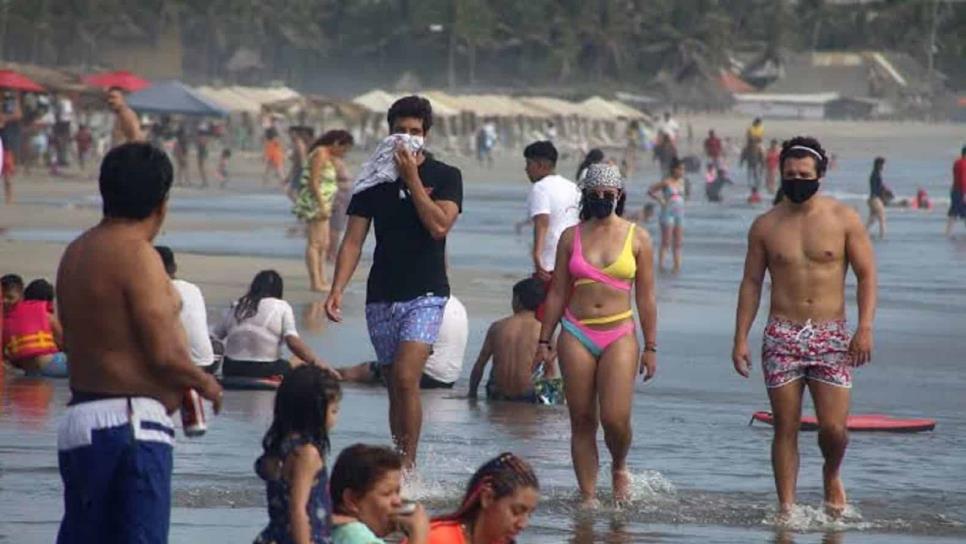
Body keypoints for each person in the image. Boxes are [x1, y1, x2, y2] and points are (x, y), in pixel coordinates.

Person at [54, 142, 222, 543]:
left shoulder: (76, 252)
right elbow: (163, 352)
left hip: (80, 420)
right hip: (128, 424)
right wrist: (205, 383)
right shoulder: (138, 255)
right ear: (162, 203)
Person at [732, 136, 876, 519]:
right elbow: (750, 283)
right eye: (790, 174)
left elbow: (866, 275)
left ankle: (831, 472)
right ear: (780, 174)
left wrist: (864, 327)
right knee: (785, 427)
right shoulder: (765, 226)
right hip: (782, 334)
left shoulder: (844, 219)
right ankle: (786, 508)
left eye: (804, 174)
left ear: (820, 175)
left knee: (833, 429)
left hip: (831, 334)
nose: (796, 180)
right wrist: (740, 338)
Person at [326, 95, 463, 469]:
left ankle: (409, 467)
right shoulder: (372, 181)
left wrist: (413, 179)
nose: (408, 138)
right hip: (382, 294)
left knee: (406, 378)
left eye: (415, 132)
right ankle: (399, 460)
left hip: (427, 292)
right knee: (393, 387)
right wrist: (336, 288)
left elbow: (438, 225)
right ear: (388, 134)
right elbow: (353, 240)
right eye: (400, 131)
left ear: (427, 134)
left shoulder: (446, 176)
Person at [533, 163, 657, 506]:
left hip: (619, 331)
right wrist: (544, 341)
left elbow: (646, 296)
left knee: (615, 418)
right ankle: (587, 495)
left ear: (619, 196)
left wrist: (651, 346)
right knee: (582, 417)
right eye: (595, 195)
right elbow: (557, 291)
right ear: (585, 196)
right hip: (576, 331)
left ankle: (618, 464)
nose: (602, 200)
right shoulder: (571, 237)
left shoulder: (638, 237)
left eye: (608, 195)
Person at [254, 365, 342, 544]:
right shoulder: (306, 454)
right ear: (314, 411)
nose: (336, 418)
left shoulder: (281, 446)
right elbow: (298, 510)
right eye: (333, 410)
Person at [213, 270, 334, 380]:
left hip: (231, 369)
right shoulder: (281, 306)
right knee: (298, 360)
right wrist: (317, 362)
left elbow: (214, 337)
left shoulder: (237, 306)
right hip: (266, 370)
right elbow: (293, 343)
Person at [338, 296, 468, 389]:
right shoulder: (456, 304)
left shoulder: (424, 306)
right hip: (449, 379)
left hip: (424, 377)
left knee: (356, 372)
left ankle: (326, 375)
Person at [419, 453, 539, 544]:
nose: (523, 524)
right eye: (516, 511)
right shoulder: (433, 538)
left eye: (529, 514)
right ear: (487, 498)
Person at [468, 279, 554, 403]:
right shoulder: (545, 332)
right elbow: (549, 371)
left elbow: (479, 365)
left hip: (497, 393)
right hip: (528, 396)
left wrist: (472, 395)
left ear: (517, 300)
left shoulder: (497, 327)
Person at [293, 129, 355, 292]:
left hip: (325, 203)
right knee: (315, 243)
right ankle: (316, 282)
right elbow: (314, 181)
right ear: (336, 143)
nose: (344, 153)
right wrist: (321, 204)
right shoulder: (320, 153)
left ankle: (322, 279)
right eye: (344, 149)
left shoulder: (328, 156)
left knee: (324, 243)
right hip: (316, 204)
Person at [330, 444, 430, 544]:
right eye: (387, 493)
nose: (398, 501)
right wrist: (418, 534)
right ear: (352, 500)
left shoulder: (330, 530)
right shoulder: (356, 535)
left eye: (397, 492)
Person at [524, 141, 581, 291]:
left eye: (529, 164)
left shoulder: (540, 188)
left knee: (546, 311)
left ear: (540, 165)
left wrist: (537, 256)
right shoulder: (573, 187)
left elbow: (542, 221)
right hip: (575, 261)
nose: (526, 169)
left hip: (550, 263)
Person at [155, 246, 215, 371]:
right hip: (205, 363)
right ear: (174, 267)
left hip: (171, 367)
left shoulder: (150, 291)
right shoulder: (193, 288)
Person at [2, 274, 66, 376]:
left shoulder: (42, 315)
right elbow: (65, 343)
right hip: (47, 368)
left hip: (43, 368)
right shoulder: (44, 314)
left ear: (22, 296)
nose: (4, 301)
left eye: (9, 297)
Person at [648, 157, 687, 273]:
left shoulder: (682, 182)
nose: (682, 172)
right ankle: (660, 265)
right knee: (666, 241)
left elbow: (684, 196)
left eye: (683, 169)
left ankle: (677, 266)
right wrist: (660, 200)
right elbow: (650, 190)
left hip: (679, 214)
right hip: (667, 213)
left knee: (678, 242)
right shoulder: (666, 182)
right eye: (680, 169)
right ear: (674, 170)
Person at [328, 131, 355, 262]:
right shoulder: (332, 161)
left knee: (338, 227)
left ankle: (332, 252)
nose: (346, 151)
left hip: (344, 197)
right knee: (335, 227)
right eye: (345, 148)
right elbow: (329, 180)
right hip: (338, 197)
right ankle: (332, 253)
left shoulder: (337, 160)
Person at [945, 145, 966, 237]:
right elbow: (963, 179)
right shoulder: (963, 164)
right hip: (961, 191)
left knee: (954, 212)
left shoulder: (957, 162)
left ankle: (947, 233)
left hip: (955, 190)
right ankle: (947, 233)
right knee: (960, 212)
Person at [286, 126, 310, 201]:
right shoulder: (297, 144)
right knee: (296, 193)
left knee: (291, 192)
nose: (290, 136)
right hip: (299, 170)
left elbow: (302, 160)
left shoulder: (299, 144)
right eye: (289, 134)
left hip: (301, 171)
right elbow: (296, 161)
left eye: (291, 134)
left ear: (295, 134)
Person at [866, 157, 887, 240]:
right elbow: (877, 189)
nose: (884, 167)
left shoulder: (875, 174)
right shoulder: (876, 174)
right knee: (882, 219)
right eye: (883, 164)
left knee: (872, 220)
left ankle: (861, 233)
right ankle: (883, 237)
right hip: (875, 199)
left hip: (872, 199)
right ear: (879, 165)